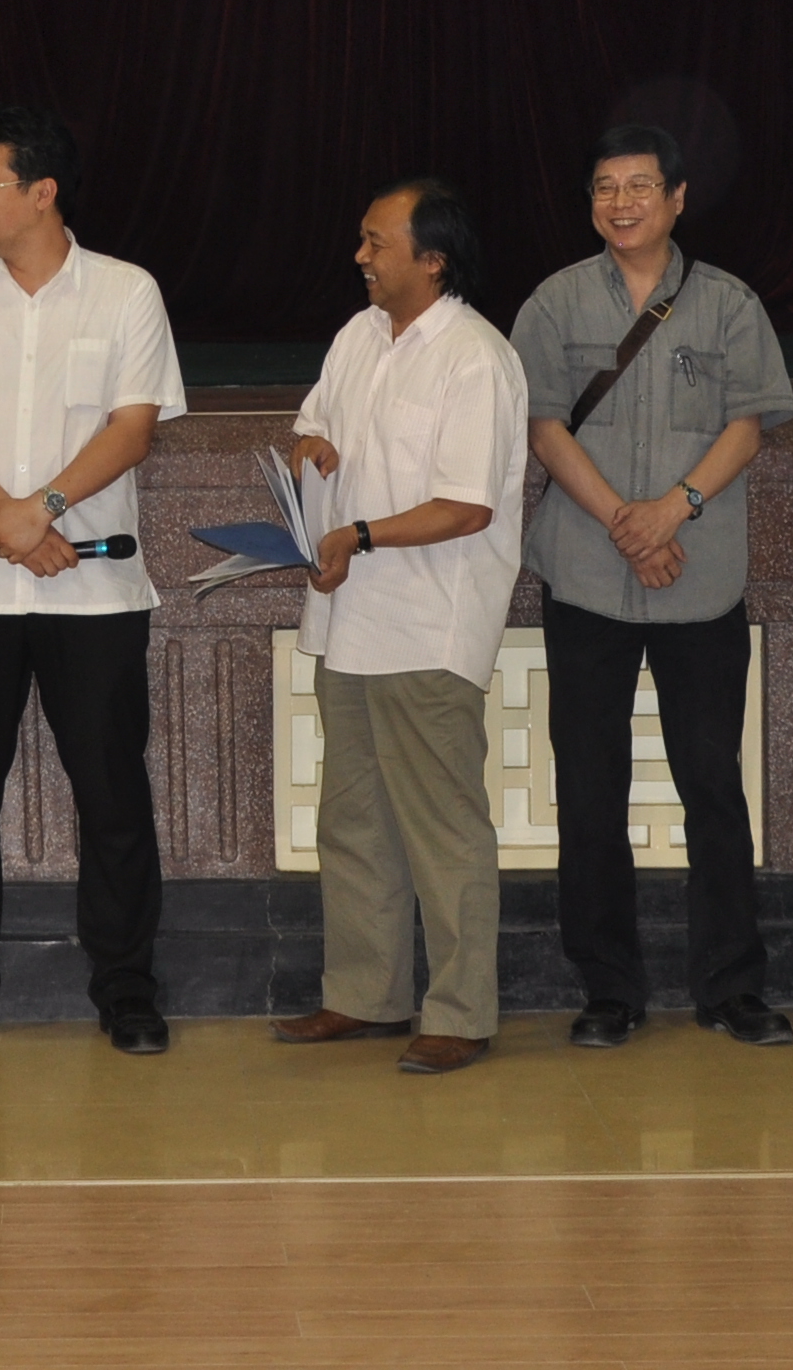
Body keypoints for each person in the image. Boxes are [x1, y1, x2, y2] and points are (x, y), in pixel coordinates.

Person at [0, 104, 187, 1057]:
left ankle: (127, 987)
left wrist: (44, 507)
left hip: (91, 592)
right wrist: (6, 519)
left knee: (113, 796)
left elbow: (132, 428)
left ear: (43, 191)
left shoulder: (126, 291)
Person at [509, 123, 793, 1051]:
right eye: (604, 187)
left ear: (677, 198)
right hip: (587, 576)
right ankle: (608, 989)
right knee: (590, 788)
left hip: (699, 579)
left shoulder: (729, 303)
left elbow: (749, 424)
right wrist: (624, 524)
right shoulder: (553, 302)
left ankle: (732, 987)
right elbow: (543, 427)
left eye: (639, 187)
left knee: (713, 786)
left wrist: (673, 510)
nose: (620, 203)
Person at [271, 181, 528, 1075]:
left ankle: (460, 1012)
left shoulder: (475, 356)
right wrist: (312, 450)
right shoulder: (357, 335)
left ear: (434, 259)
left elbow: (467, 506)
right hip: (347, 622)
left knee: (442, 828)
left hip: (428, 624)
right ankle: (364, 993)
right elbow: (312, 427)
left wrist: (357, 534)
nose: (361, 257)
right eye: (362, 239)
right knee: (354, 820)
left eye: (377, 243)